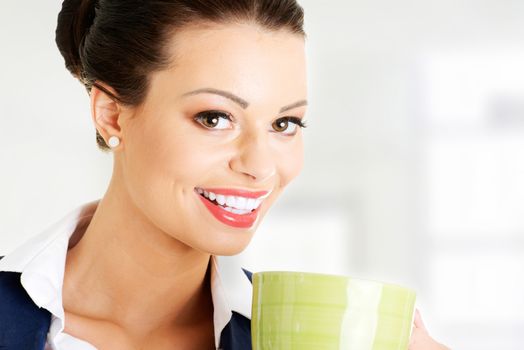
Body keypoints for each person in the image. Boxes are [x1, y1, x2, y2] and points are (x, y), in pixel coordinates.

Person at [0, 0, 450, 349]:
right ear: (112, 115)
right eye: (215, 118)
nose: (259, 166)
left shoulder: (300, 338)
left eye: (284, 124)